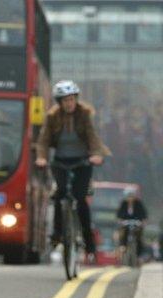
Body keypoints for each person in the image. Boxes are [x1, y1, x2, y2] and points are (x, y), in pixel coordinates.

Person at [36, 80, 111, 261]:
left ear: (76, 99)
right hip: (61, 161)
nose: (69, 103)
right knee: (60, 194)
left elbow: (92, 136)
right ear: (59, 102)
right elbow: (44, 140)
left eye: (72, 99)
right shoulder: (52, 117)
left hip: (82, 162)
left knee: (80, 197)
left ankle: (88, 242)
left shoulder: (84, 114)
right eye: (65, 100)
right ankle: (57, 234)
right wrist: (42, 157)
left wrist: (96, 155)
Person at [116, 188, 148, 259]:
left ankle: (140, 254)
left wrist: (143, 222)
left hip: (136, 223)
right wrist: (120, 221)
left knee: (139, 235)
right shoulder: (123, 203)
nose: (130, 198)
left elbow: (143, 214)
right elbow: (119, 214)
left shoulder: (138, 203)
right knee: (123, 231)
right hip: (126, 223)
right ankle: (122, 245)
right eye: (128, 196)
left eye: (131, 196)